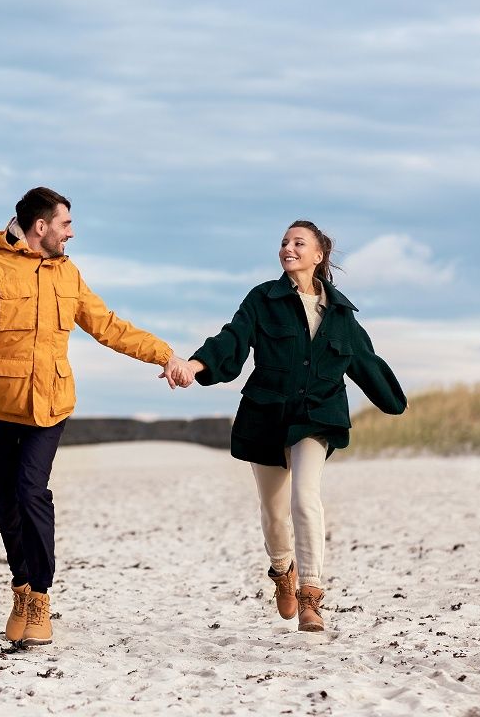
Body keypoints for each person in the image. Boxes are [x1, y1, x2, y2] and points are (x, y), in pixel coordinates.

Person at [0, 187, 190, 646]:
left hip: (50, 405)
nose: (71, 233)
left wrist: (164, 355)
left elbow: (108, 325)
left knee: (30, 491)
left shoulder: (68, 274)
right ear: (42, 227)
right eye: (66, 225)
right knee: (8, 501)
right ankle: (21, 589)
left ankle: (39, 597)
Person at [165, 220, 406, 632]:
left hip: (317, 416)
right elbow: (232, 340)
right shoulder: (263, 298)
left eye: (299, 243)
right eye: (283, 243)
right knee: (275, 512)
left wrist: (394, 401)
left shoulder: (341, 314)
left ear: (319, 255)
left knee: (304, 497)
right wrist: (194, 364)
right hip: (266, 416)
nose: (288, 249)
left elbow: (365, 361)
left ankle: (311, 595)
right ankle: (283, 572)